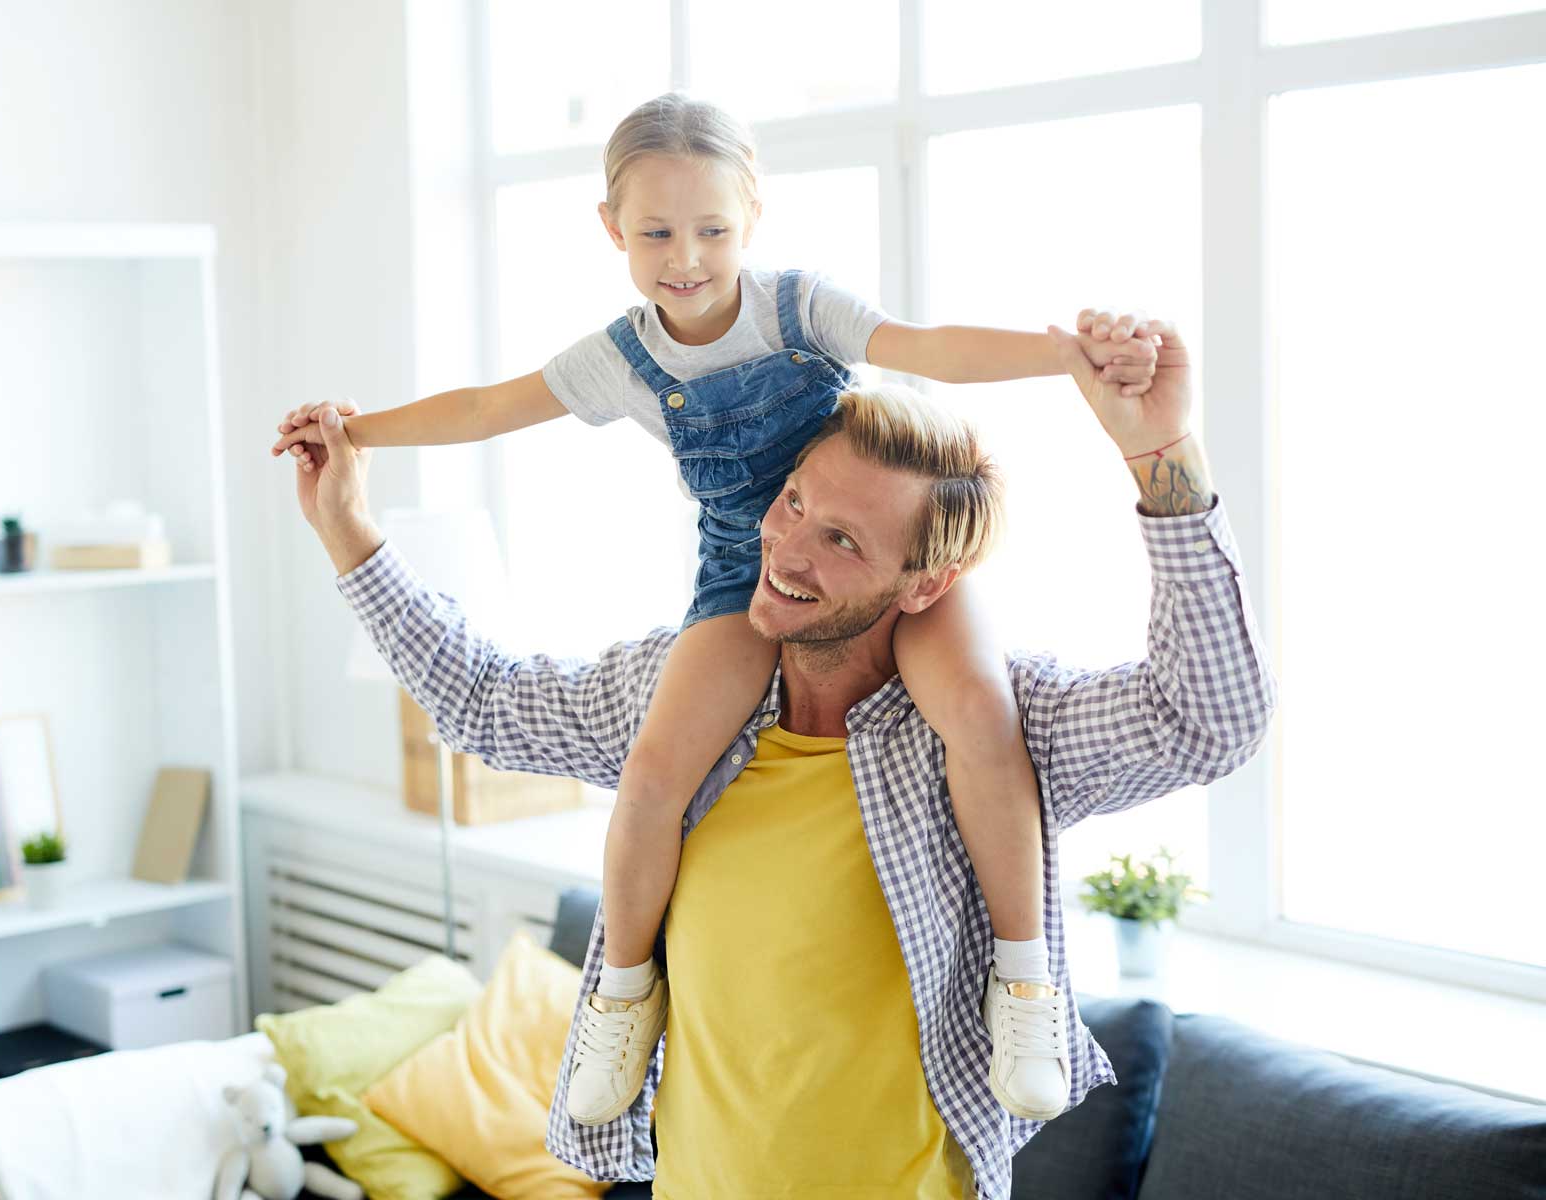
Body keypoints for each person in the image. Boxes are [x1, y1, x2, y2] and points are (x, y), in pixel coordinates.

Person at [271, 91, 1164, 1127]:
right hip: (743, 574)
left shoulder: (800, 308)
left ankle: (1025, 985)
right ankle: (620, 997)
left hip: (878, 551)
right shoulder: (622, 355)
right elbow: (484, 409)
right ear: (611, 228)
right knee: (654, 770)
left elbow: (930, 348)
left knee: (979, 716)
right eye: (654, 231)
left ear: (753, 219)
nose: (684, 256)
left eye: (711, 229)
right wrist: (352, 429)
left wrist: (1065, 357)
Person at [284, 317, 1275, 1200]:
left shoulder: (992, 732)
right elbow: (481, 700)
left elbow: (1211, 720)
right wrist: (347, 529)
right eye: (794, 502)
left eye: (840, 538)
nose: (786, 547)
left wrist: (1161, 458)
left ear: (924, 586)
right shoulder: (679, 707)